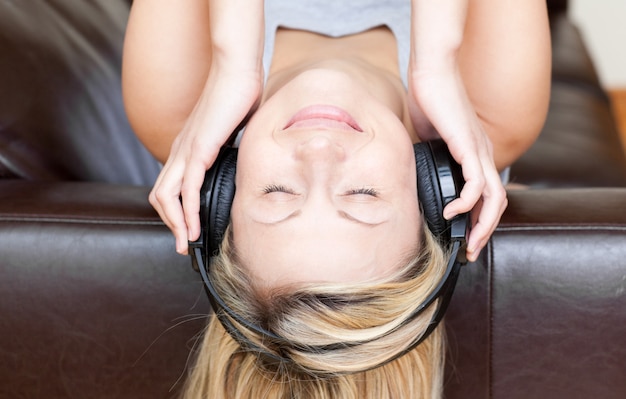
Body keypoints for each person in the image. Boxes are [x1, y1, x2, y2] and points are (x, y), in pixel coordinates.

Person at [122, 0, 551, 397]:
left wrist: (233, 61)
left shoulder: (177, 112)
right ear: (431, 198)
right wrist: (436, 61)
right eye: (362, 194)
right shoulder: (493, 111)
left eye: (278, 192)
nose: (320, 150)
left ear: (223, 192)